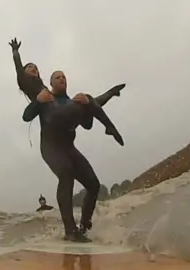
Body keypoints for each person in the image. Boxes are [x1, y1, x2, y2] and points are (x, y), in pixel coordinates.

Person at [9, 38, 125, 242]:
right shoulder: (41, 93)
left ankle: (84, 225)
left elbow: (94, 103)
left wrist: (110, 93)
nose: (62, 79)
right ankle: (70, 231)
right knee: (66, 172)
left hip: (69, 147)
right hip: (51, 148)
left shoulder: (71, 102)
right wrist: (16, 55)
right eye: (58, 77)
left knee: (93, 184)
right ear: (52, 83)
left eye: (64, 77)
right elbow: (26, 116)